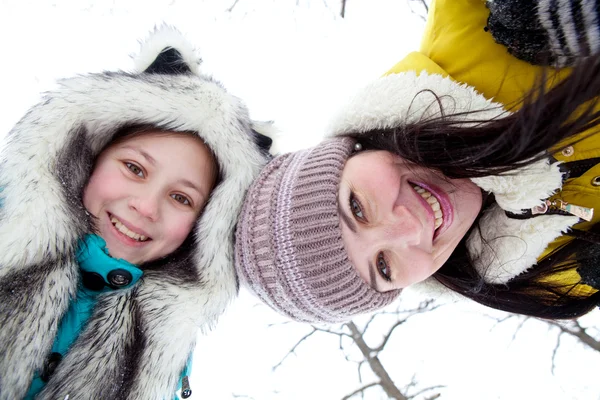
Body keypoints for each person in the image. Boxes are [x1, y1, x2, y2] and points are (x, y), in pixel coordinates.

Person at [234, 0, 600, 324]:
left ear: (349, 153)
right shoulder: (553, 276)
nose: (407, 229)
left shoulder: (476, 17)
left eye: (358, 208)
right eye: (383, 266)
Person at [0, 27, 271, 399]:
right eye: (135, 169)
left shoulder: (160, 353)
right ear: (90, 158)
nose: (145, 207)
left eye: (181, 198)